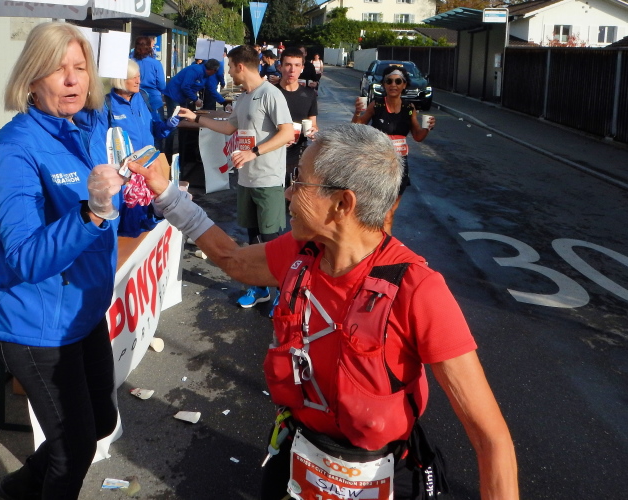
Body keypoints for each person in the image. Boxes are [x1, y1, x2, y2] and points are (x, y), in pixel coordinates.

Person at [125, 123, 519, 500]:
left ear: (343, 204)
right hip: (298, 453)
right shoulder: (302, 252)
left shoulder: (417, 290)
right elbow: (233, 260)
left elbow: (491, 438)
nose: (287, 193)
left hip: (382, 473)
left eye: (299, 181)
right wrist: (168, 196)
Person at [0, 22, 141, 499]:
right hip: (38, 327)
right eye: (57, 69)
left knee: (101, 422)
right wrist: (90, 212)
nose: (73, 79)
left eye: (80, 67)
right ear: (32, 79)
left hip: (82, 315)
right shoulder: (14, 149)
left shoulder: (83, 129)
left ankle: (17, 487)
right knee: (73, 453)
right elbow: (24, 258)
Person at [176, 44, 293, 309]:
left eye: (230, 66)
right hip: (246, 180)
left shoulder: (270, 94)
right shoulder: (243, 98)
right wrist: (196, 118)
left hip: (268, 180)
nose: (228, 71)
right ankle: (259, 288)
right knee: (253, 239)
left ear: (240, 66)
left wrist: (253, 152)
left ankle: (283, 293)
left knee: (272, 240)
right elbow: (229, 128)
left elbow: (287, 133)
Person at [352, 64, 435, 235]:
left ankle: (383, 246)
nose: (393, 85)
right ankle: (369, 242)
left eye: (398, 81)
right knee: (374, 211)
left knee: (389, 214)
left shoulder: (409, 109)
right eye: (389, 81)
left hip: (399, 166)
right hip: (377, 164)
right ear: (384, 84)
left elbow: (417, 136)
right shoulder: (376, 105)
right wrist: (357, 112)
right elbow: (357, 126)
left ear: (404, 85)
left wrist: (427, 128)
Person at [162, 59, 225, 157]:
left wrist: (223, 102)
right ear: (213, 70)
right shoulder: (195, 70)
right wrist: (195, 99)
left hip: (182, 97)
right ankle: (168, 153)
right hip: (173, 95)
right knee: (173, 123)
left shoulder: (207, 76)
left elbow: (211, 90)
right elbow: (185, 86)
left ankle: (182, 150)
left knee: (183, 122)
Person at [276, 47, 318, 185]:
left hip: (298, 154)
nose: (292, 70)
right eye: (288, 65)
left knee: (293, 193)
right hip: (272, 153)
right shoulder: (271, 93)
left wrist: (313, 131)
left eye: (297, 65)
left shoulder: (309, 95)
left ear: (302, 68)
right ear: (280, 67)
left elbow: (313, 123)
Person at [132, 36, 167, 117]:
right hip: (153, 98)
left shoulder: (131, 63)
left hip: (136, 97)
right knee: (158, 122)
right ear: (149, 47)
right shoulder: (156, 63)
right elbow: (161, 84)